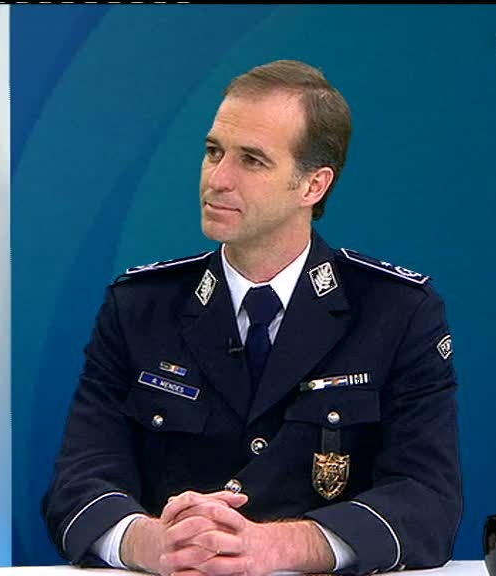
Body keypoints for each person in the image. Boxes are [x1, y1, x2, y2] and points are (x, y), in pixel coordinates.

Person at [42, 59, 463, 576]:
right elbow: (77, 482)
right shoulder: (138, 308)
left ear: (313, 185)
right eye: (213, 151)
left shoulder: (397, 313)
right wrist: (152, 543)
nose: (217, 179)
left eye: (252, 160)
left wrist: (280, 547)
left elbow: (428, 501)